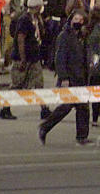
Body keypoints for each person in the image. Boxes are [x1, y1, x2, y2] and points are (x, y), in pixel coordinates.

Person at [38, 10, 91, 145]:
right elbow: (59, 58)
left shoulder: (82, 37)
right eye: (76, 19)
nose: (78, 22)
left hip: (81, 78)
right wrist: (64, 78)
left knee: (83, 108)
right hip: (70, 77)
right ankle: (45, 127)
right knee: (66, 107)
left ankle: (82, 136)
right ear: (71, 20)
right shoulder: (64, 36)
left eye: (81, 19)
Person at [9, 0, 50, 120]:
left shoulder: (35, 18)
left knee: (39, 83)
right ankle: (5, 108)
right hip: (24, 58)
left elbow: (41, 34)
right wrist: (22, 59)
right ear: (37, 7)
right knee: (17, 84)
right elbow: (20, 39)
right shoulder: (24, 19)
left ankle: (44, 109)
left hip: (34, 57)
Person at [84, 5, 100, 126]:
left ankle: (87, 116)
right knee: (97, 94)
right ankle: (94, 118)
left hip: (87, 65)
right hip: (97, 66)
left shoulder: (87, 30)